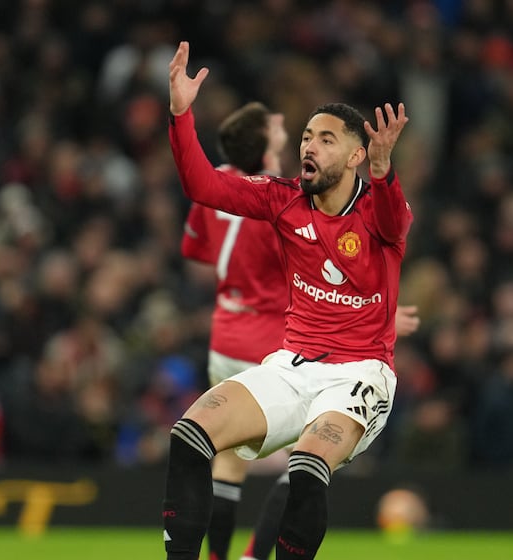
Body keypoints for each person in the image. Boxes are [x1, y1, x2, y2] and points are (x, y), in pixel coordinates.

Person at [163, 40, 411, 560]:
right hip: (290, 365)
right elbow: (203, 186)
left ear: (356, 155)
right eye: (306, 137)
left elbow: (393, 221)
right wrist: (182, 116)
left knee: (307, 466)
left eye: (326, 139)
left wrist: (384, 173)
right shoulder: (283, 199)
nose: (309, 147)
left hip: (359, 374)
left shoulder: (380, 210)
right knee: (189, 435)